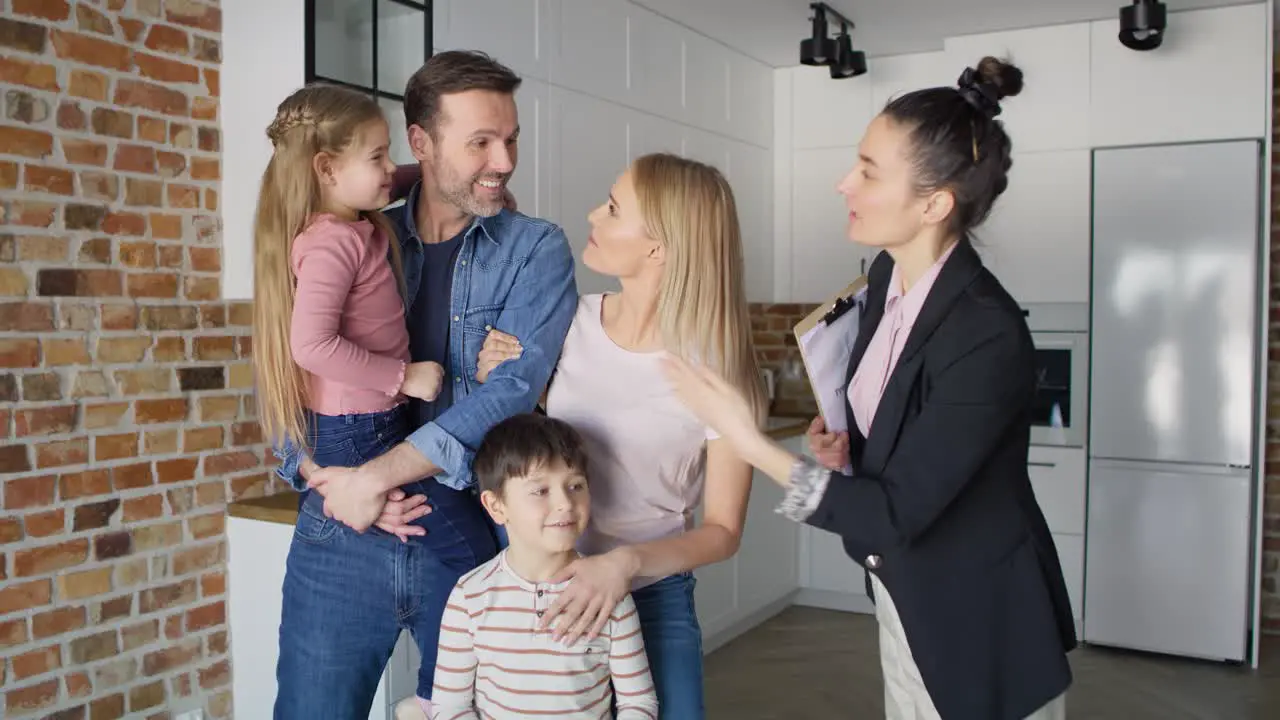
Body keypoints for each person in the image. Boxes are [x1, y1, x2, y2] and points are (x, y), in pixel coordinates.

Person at [661, 57, 1077, 720]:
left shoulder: (988, 335)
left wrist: (745, 438)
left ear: (935, 204)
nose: (843, 183)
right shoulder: (887, 275)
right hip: (903, 592)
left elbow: (893, 512)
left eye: (868, 171)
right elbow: (900, 421)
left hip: (980, 616)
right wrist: (847, 444)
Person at [270, 51, 579, 719]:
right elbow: (289, 366)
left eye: (511, 138)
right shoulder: (358, 229)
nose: (503, 160)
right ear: (420, 142)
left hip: (462, 526)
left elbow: (512, 392)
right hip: (341, 531)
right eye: (479, 142)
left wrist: (371, 479)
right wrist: (320, 478)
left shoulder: (535, 248)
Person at [455, 152, 767, 718]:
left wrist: (623, 565)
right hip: (535, 581)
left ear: (659, 247)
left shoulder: (717, 372)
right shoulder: (568, 321)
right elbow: (529, 439)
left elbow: (723, 531)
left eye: (615, 207)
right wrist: (498, 373)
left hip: (652, 592)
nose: (593, 214)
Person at [430, 413, 659, 719]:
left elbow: (638, 704)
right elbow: (450, 707)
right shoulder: (469, 596)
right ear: (496, 506)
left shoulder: (609, 597)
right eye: (540, 491)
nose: (565, 502)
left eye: (576, 485)